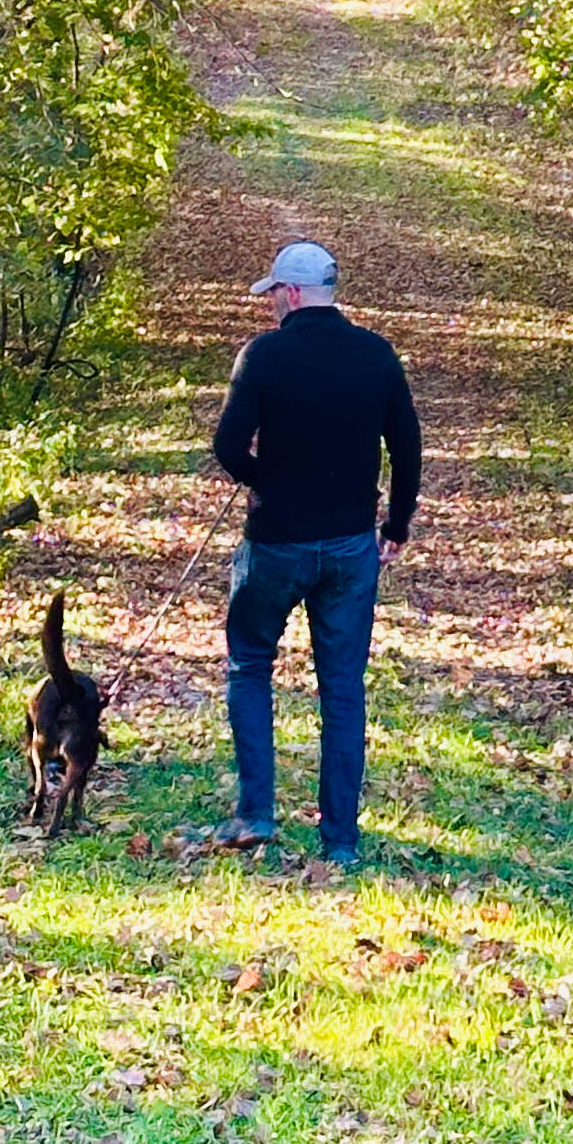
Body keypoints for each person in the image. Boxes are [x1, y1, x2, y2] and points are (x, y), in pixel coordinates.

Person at [209, 237, 420, 869]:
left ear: (293, 293)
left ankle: (255, 813)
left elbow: (227, 446)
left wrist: (260, 481)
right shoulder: (376, 355)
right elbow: (407, 447)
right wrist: (397, 524)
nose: (271, 303)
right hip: (352, 545)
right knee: (342, 689)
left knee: (249, 666)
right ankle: (341, 840)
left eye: (274, 292)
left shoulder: (265, 356)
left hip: (276, 544)